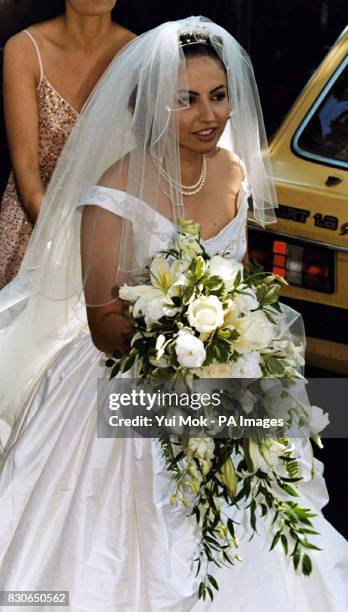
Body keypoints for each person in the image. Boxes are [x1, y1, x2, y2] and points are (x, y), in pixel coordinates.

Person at [0, 16, 347, 612]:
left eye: (217, 96)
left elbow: (239, 277)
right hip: (127, 383)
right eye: (185, 100)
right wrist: (181, 348)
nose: (207, 115)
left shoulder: (235, 174)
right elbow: (104, 324)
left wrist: (234, 342)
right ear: (151, 108)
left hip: (226, 379)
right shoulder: (111, 196)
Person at [0, 0, 135, 288]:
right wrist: (62, 239)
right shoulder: (24, 49)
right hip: (37, 222)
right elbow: (26, 166)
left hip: (113, 226)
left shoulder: (140, 52)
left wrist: (102, 242)